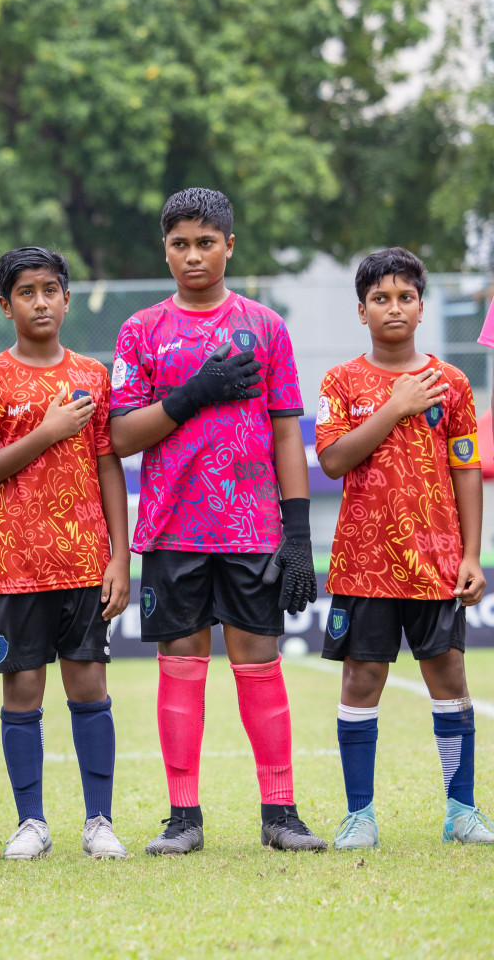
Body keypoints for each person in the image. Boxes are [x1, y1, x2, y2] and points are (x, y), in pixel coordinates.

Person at [108, 187, 326, 854]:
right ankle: (183, 817)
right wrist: (193, 393)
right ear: (165, 250)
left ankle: (281, 813)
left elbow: (288, 434)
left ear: (229, 245)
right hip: (174, 531)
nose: (193, 255)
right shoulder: (140, 330)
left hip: (253, 529)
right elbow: (120, 437)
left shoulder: (266, 327)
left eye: (206, 242)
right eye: (181, 244)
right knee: (180, 663)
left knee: (259, 663)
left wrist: (297, 534)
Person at [316, 247, 492, 848]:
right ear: (361, 311)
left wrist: (471, 554)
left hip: (437, 561)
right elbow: (334, 460)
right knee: (362, 677)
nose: (394, 308)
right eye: (380, 299)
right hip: (364, 564)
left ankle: (462, 810)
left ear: (422, 306)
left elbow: (466, 469)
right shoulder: (340, 381)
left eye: (405, 297)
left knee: (448, 673)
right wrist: (394, 407)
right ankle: (358, 815)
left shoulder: (455, 383)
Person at [0, 246, 131, 860]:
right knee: (22, 690)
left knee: (89, 687)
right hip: (15, 567)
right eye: (27, 292)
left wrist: (120, 556)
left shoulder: (92, 374)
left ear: (67, 298)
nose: (41, 302)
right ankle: (31, 821)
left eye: (51, 290)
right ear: (6, 305)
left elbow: (108, 464)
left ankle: (100, 821)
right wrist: (46, 432)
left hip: (85, 562)